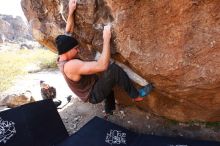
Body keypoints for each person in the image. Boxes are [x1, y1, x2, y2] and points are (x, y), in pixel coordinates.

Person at [55, 0, 153, 116]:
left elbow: (68, 31)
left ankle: (109, 110)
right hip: (93, 95)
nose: (78, 50)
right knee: (113, 70)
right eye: (76, 48)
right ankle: (136, 95)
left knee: (104, 79)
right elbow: (102, 65)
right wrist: (106, 38)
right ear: (67, 51)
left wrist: (71, 11)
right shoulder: (70, 66)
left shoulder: (62, 55)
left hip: (92, 83)